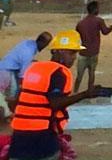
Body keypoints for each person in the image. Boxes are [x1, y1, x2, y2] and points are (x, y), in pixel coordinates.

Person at [7, 30, 103, 160]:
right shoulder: (59, 72)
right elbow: (55, 103)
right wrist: (85, 94)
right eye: (72, 52)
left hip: (19, 135)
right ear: (59, 51)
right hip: (41, 134)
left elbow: (18, 99)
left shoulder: (34, 67)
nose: (74, 57)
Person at [72, 0, 112, 92]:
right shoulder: (99, 21)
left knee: (79, 76)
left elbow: (76, 35)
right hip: (94, 52)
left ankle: (75, 92)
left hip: (83, 53)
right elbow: (106, 32)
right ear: (95, 9)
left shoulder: (80, 23)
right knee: (91, 74)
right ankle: (89, 92)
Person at [0, 32, 50, 105]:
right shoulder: (28, 53)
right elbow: (22, 75)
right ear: (41, 42)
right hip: (6, 71)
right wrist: (22, 87)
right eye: (46, 44)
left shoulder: (28, 43)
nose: (46, 46)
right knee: (12, 93)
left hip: (7, 67)